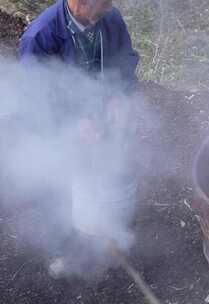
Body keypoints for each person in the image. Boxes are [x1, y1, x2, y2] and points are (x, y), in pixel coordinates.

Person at [18, 0, 140, 278]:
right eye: (104, 3)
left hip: (101, 113)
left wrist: (120, 96)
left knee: (110, 170)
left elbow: (126, 60)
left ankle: (112, 232)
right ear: (80, 3)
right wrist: (72, 123)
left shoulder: (110, 17)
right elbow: (33, 95)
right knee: (59, 183)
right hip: (58, 123)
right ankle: (63, 249)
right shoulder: (40, 36)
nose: (110, 7)